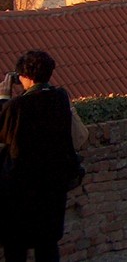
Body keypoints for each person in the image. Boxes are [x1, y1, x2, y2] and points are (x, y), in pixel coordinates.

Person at [0, 50, 75, 262]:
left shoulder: (17, 106)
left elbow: (3, 130)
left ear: (27, 77)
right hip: (52, 186)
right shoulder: (60, 98)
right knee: (47, 244)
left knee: (15, 246)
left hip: (19, 189)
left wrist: (4, 97)